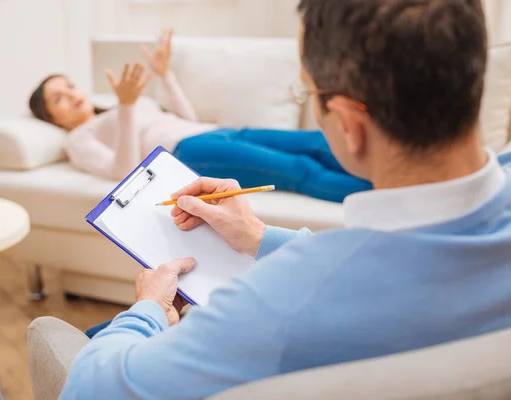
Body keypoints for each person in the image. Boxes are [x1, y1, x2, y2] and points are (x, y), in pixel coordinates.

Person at [61, 0, 511, 399]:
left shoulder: (277, 302)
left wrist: (148, 308)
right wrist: (260, 236)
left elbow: (87, 389)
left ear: (348, 126)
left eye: (307, 92)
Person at [28, 29, 371, 203]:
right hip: (191, 154)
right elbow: (124, 173)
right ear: (52, 118)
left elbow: (187, 118)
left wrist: (164, 75)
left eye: (70, 86)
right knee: (299, 170)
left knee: (317, 141)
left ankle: (395, 178)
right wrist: (129, 107)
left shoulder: (120, 105)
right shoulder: (78, 139)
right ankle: (382, 196)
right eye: (58, 98)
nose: (72, 95)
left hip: (214, 133)